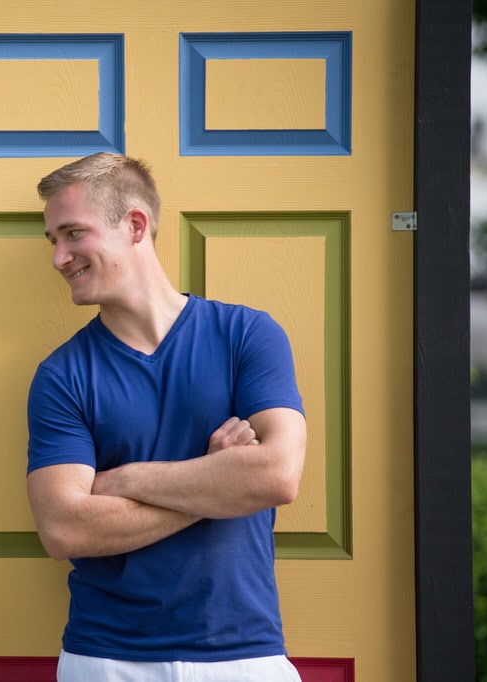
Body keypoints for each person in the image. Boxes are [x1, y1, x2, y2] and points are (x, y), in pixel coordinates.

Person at [26, 152, 307, 681]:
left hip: (244, 654)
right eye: (53, 241)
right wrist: (216, 480)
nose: (59, 257)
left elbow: (277, 475)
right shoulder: (61, 375)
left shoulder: (247, 335)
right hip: (106, 659)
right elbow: (63, 529)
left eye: (72, 234)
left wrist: (128, 480)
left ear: (135, 225)